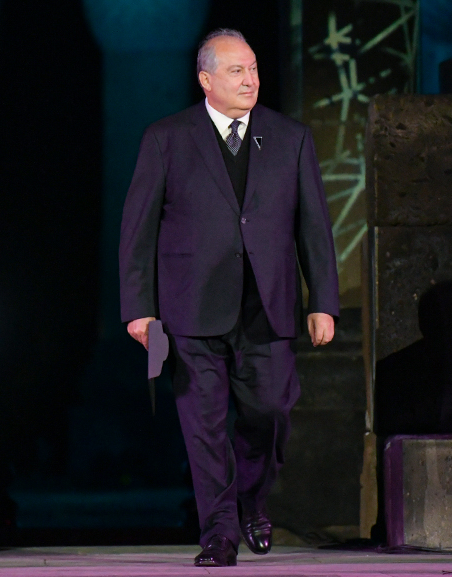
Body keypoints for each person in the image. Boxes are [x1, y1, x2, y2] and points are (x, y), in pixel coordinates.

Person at [119, 28, 340, 567]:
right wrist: (139, 308)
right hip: (190, 308)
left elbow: (314, 226)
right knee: (204, 427)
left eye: (254, 69)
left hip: (268, 305)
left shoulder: (290, 137)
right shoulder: (167, 137)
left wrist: (323, 301)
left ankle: (250, 500)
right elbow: (137, 228)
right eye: (237, 71)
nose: (250, 80)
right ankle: (218, 532)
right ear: (206, 79)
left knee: (271, 412)